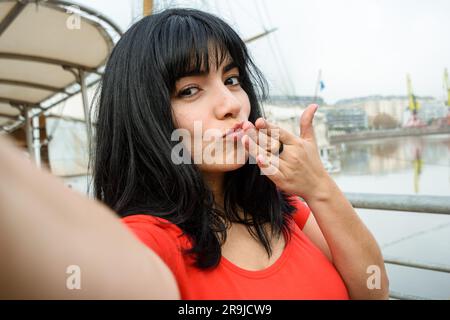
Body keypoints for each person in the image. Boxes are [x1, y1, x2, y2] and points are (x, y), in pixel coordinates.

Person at [0, 8, 388, 299]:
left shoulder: (285, 209)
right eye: (190, 89)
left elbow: (373, 291)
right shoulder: (148, 242)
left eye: (232, 79)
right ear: (146, 117)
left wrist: (319, 187)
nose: (231, 104)